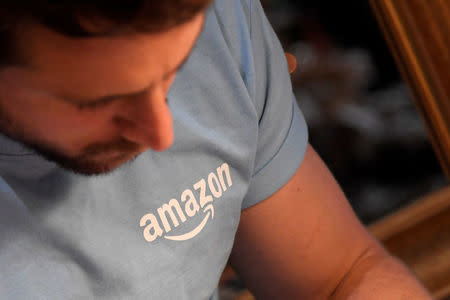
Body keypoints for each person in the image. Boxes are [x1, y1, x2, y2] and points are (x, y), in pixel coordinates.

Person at [0, 0, 431, 299]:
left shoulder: (218, 20)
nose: (161, 133)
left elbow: (337, 279)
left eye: (176, 66)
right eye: (97, 101)